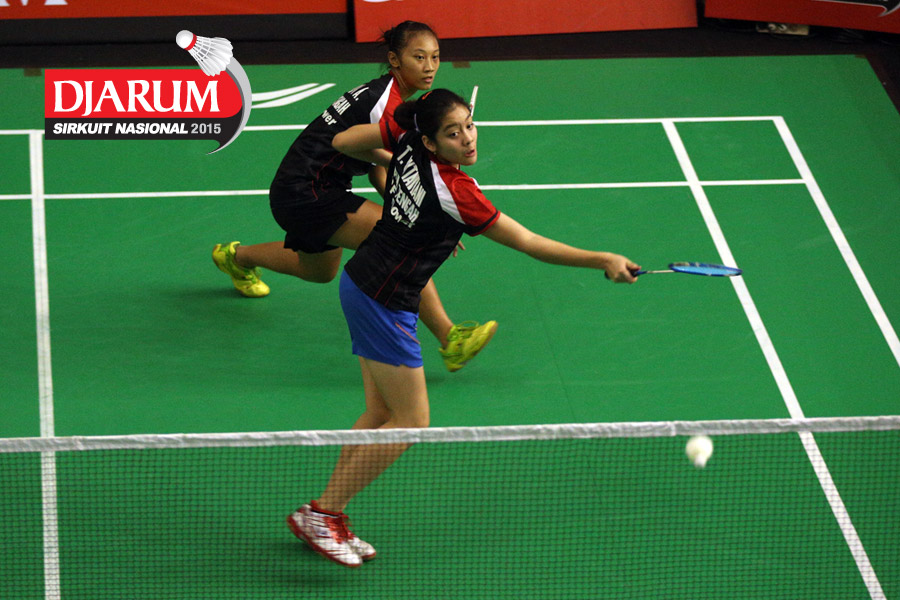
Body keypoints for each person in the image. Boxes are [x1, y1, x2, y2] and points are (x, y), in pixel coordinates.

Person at [286, 89, 640, 567]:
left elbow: (351, 147)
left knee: (379, 414)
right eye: (453, 133)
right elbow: (528, 242)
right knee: (411, 422)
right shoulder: (457, 192)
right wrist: (603, 259)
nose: (468, 139)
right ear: (431, 141)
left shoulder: (407, 141)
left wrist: (421, 213)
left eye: (469, 126)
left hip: (367, 282)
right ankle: (322, 515)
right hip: (382, 299)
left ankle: (327, 511)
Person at [212, 21, 496, 373]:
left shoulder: (385, 95)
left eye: (435, 57)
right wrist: (418, 218)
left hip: (306, 188)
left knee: (319, 271)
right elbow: (391, 166)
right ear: (395, 59)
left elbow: (380, 168)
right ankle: (450, 338)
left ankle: (235, 257)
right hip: (307, 191)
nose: (429, 67)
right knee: (400, 244)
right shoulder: (385, 104)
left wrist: (409, 207)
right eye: (419, 57)